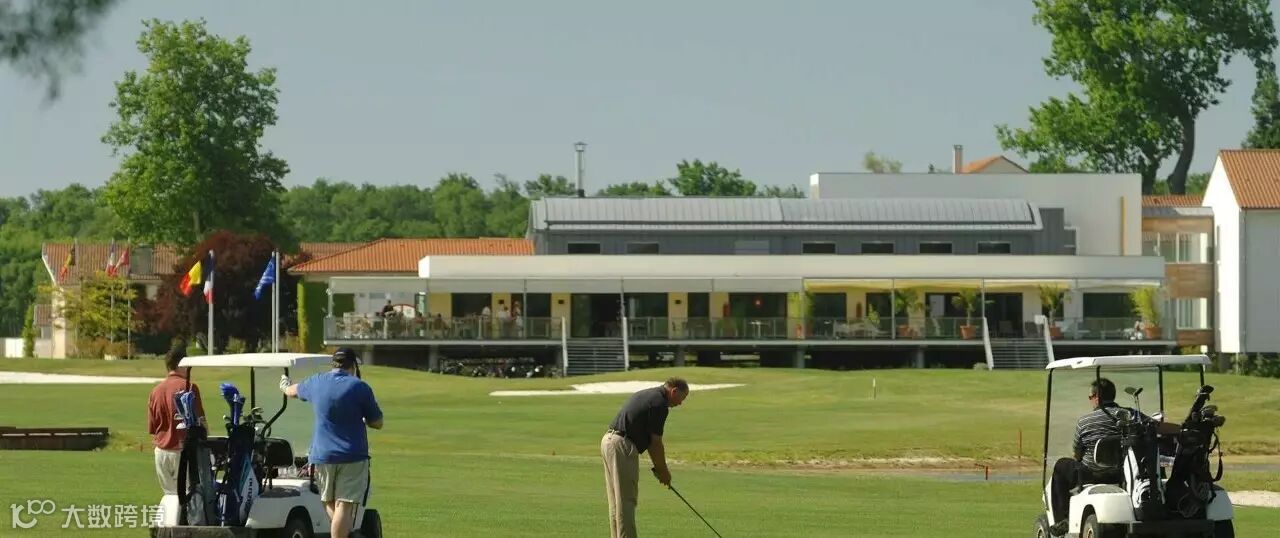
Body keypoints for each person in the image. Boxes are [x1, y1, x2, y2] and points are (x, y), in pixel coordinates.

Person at [1048, 378, 1177, 534]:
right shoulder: (1130, 415)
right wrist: (1182, 429)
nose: (1090, 400)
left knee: (1061, 465)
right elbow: (1158, 427)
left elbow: (1077, 454)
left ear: (1096, 397)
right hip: (1125, 472)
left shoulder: (1084, 422)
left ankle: (1063, 519)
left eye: (1090, 397)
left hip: (1092, 474)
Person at [280, 347, 384, 538]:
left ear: (333, 364)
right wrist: (364, 420)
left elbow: (291, 391)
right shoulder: (360, 387)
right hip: (353, 456)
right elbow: (377, 422)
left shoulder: (316, 381)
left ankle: (345, 533)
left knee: (328, 501)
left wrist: (285, 385)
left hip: (323, 455)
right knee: (343, 505)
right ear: (353, 365)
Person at [601, 377, 690, 538]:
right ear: (674, 391)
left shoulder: (649, 394)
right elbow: (655, 443)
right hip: (622, 445)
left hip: (609, 441)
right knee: (626, 501)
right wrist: (663, 472)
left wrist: (660, 470)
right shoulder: (659, 404)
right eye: (681, 398)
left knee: (617, 502)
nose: (680, 403)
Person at [147, 345, 205, 495]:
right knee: (188, 498)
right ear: (182, 364)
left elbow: (153, 427)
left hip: (161, 453)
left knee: (170, 498)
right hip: (183, 451)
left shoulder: (155, 391)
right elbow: (201, 422)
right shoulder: (189, 387)